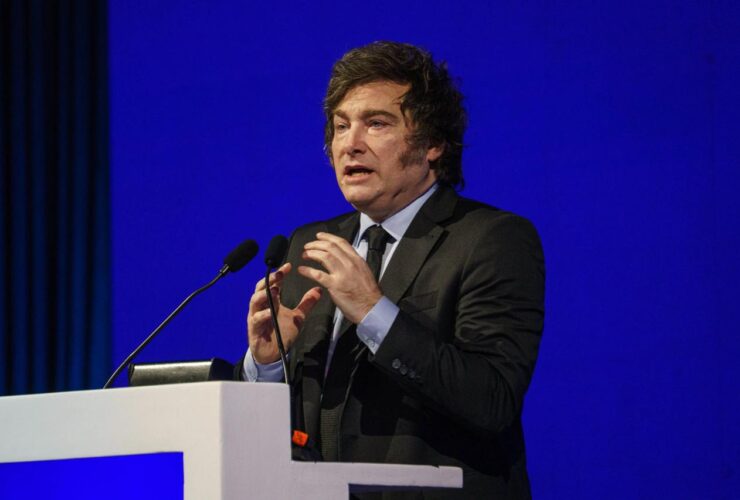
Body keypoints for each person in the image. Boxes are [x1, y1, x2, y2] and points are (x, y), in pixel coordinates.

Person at [242, 41, 545, 499]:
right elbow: (297, 426)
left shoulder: (492, 239)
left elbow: (492, 400)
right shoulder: (312, 244)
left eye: (377, 123)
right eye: (341, 126)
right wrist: (268, 365)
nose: (350, 143)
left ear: (433, 144)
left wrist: (373, 311)